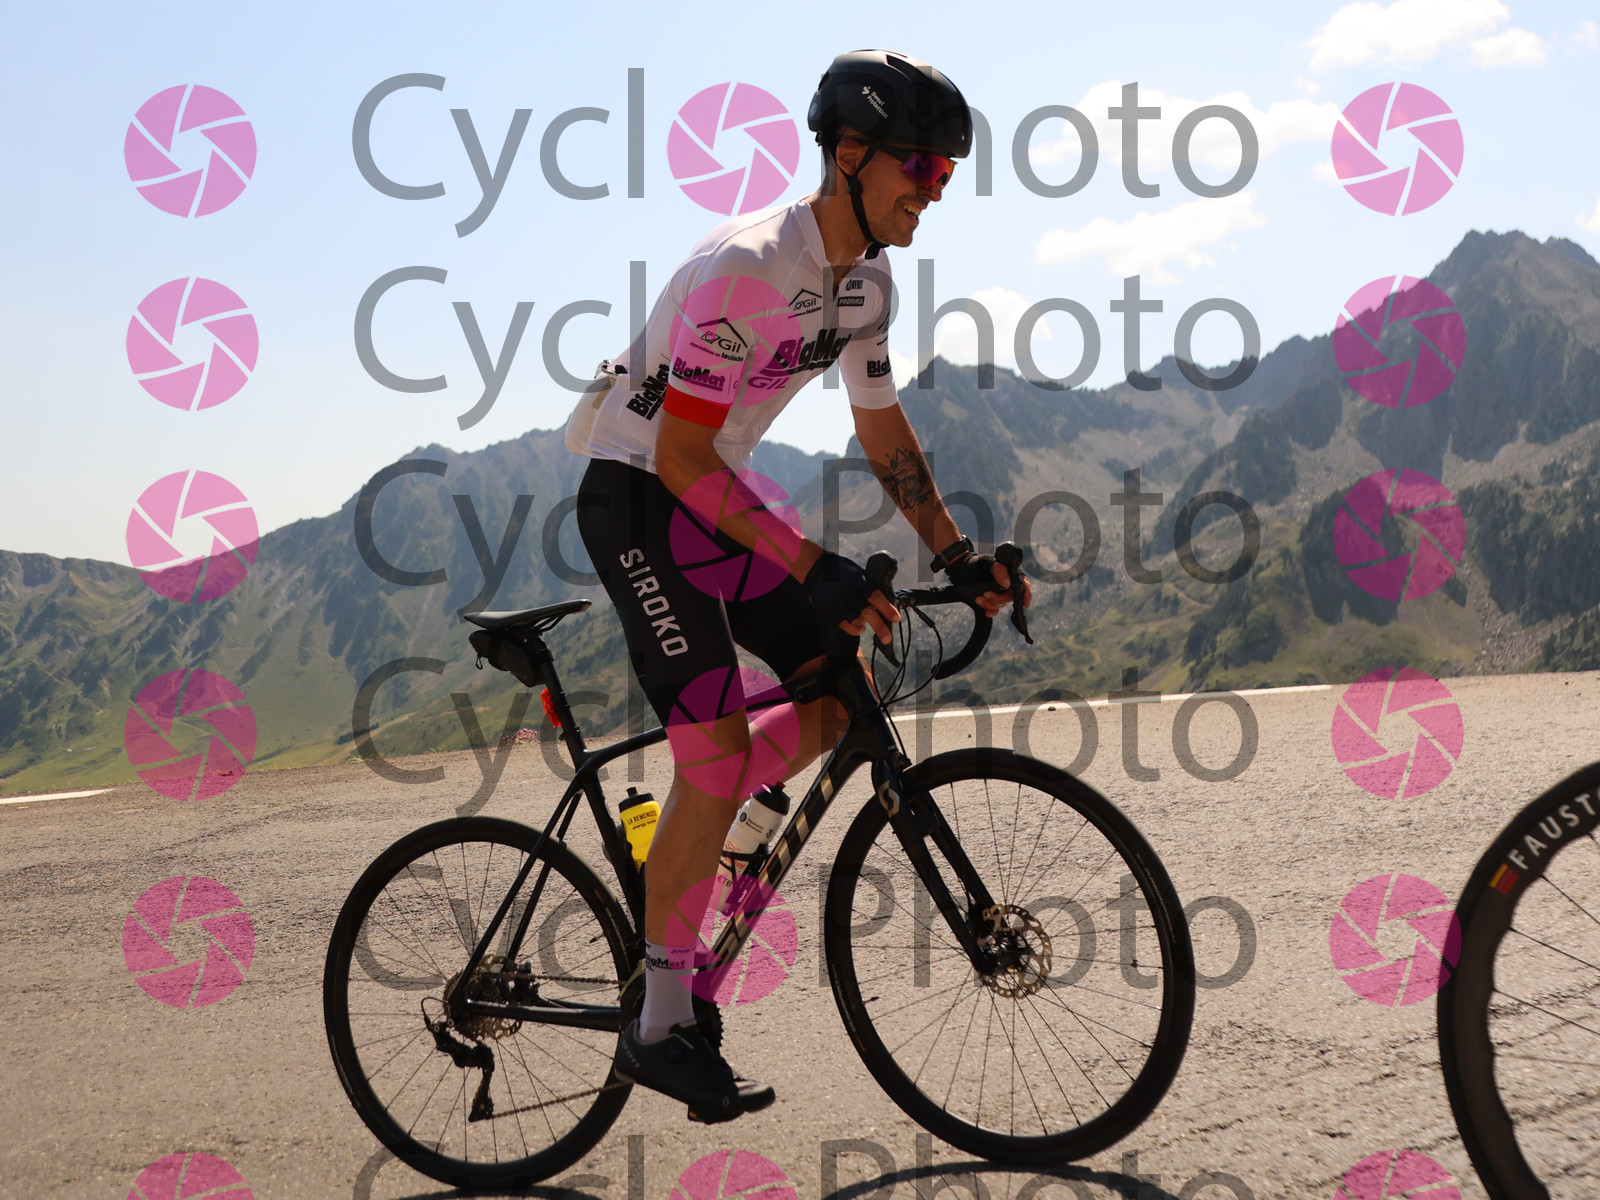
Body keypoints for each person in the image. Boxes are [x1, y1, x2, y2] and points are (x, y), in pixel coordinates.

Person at [564, 49, 1029, 1123]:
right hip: (639, 493)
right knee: (716, 747)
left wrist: (957, 554)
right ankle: (662, 1023)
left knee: (835, 686)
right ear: (850, 154)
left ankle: (696, 831)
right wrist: (811, 563)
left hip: (706, 491)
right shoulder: (751, 266)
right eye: (921, 166)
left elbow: (881, 426)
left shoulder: (866, 283)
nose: (934, 190)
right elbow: (680, 456)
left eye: (948, 174)